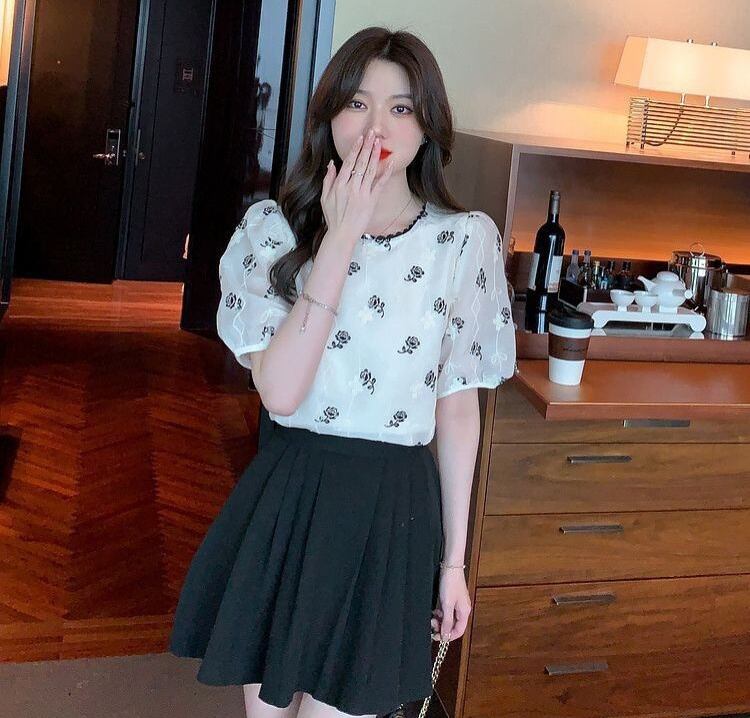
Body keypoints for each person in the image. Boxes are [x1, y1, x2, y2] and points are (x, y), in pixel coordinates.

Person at [168, 26, 516, 718]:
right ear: (330, 116)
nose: (376, 127)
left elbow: (456, 412)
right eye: (357, 103)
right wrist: (341, 237)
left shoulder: (463, 241)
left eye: (401, 108)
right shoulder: (273, 230)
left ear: (427, 126)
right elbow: (280, 390)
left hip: (392, 511)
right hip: (292, 494)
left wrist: (454, 565)